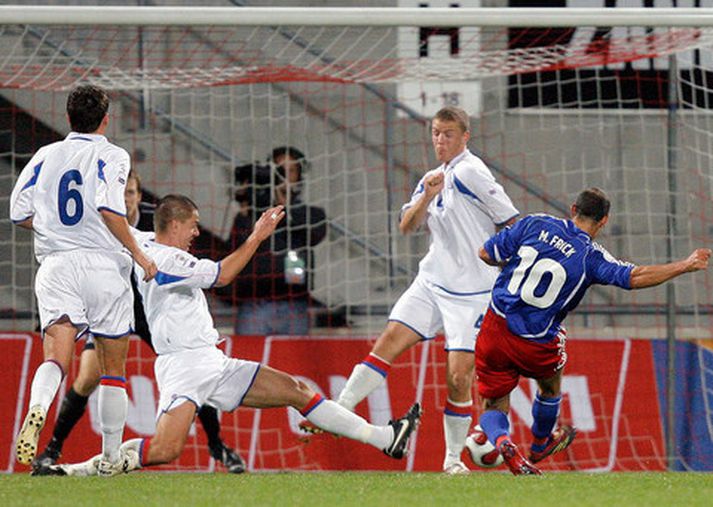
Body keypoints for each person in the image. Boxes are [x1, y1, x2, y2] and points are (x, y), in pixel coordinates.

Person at [36, 194, 421, 477]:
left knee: (297, 391)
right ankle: (73, 472)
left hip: (213, 361)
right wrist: (256, 236)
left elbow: (118, 226)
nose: (197, 232)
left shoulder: (143, 243)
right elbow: (222, 275)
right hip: (184, 366)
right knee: (164, 450)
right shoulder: (165, 261)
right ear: (174, 225)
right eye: (193, 224)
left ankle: (386, 438)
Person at [320, 106, 519, 475]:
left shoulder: (472, 172)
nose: (439, 140)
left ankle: (452, 460)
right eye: (435, 133)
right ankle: (339, 410)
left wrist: (502, 261)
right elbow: (406, 225)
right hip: (431, 282)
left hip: (473, 294)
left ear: (464, 136)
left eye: (447, 134)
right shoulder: (433, 177)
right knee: (388, 341)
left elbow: (511, 220)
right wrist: (426, 196)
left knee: (459, 378)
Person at [476, 188, 711, 475]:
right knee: (550, 384)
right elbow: (634, 277)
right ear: (604, 221)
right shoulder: (590, 256)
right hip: (536, 340)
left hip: (495, 326)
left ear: (573, 208)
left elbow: (486, 253)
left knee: (492, 404)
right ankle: (539, 443)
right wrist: (685, 265)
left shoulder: (534, 223)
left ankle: (502, 441)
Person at [31, 171, 247, 474]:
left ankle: (217, 446)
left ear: (139, 196)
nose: (126, 199)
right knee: (88, 377)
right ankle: (52, 448)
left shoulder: (156, 224)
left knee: (192, 368)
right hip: (113, 306)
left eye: (131, 193)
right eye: (121, 194)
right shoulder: (102, 223)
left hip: (150, 311)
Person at [9, 85, 158, 474]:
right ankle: (110, 457)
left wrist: (55, 228)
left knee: (56, 358)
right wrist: (139, 254)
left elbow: (17, 211)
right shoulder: (111, 154)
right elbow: (110, 208)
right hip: (103, 266)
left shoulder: (46, 155)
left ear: (68, 117)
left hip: (56, 265)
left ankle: (39, 406)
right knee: (112, 367)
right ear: (106, 119)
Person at [227, 146, 327, 335]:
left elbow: (316, 233)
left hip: (294, 304)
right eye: (279, 170)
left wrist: (284, 204)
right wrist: (246, 208)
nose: (284, 176)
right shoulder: (252, 211)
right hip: (253, 304)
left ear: (300, 176)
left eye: (290, 171)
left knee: (291, 364)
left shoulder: (309, 214)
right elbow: (234, 247)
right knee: (248, 362)